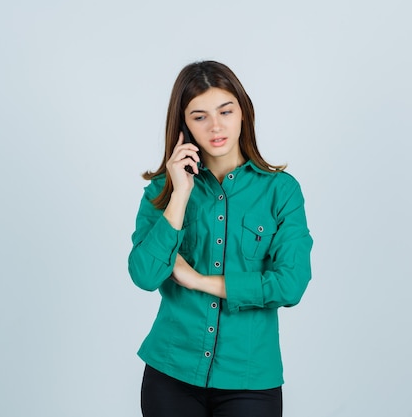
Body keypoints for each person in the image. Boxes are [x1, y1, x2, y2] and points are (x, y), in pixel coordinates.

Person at [128, 60, 313, 417]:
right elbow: (144, 275)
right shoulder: (162, 190)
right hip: (171, 371)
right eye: (199, 116)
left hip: (250, 380)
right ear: (184, 126)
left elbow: (291, 285)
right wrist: (179, 194)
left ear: (243, 112)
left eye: (225, 111)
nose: (215, 126)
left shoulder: (281, 191)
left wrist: (198, 280)